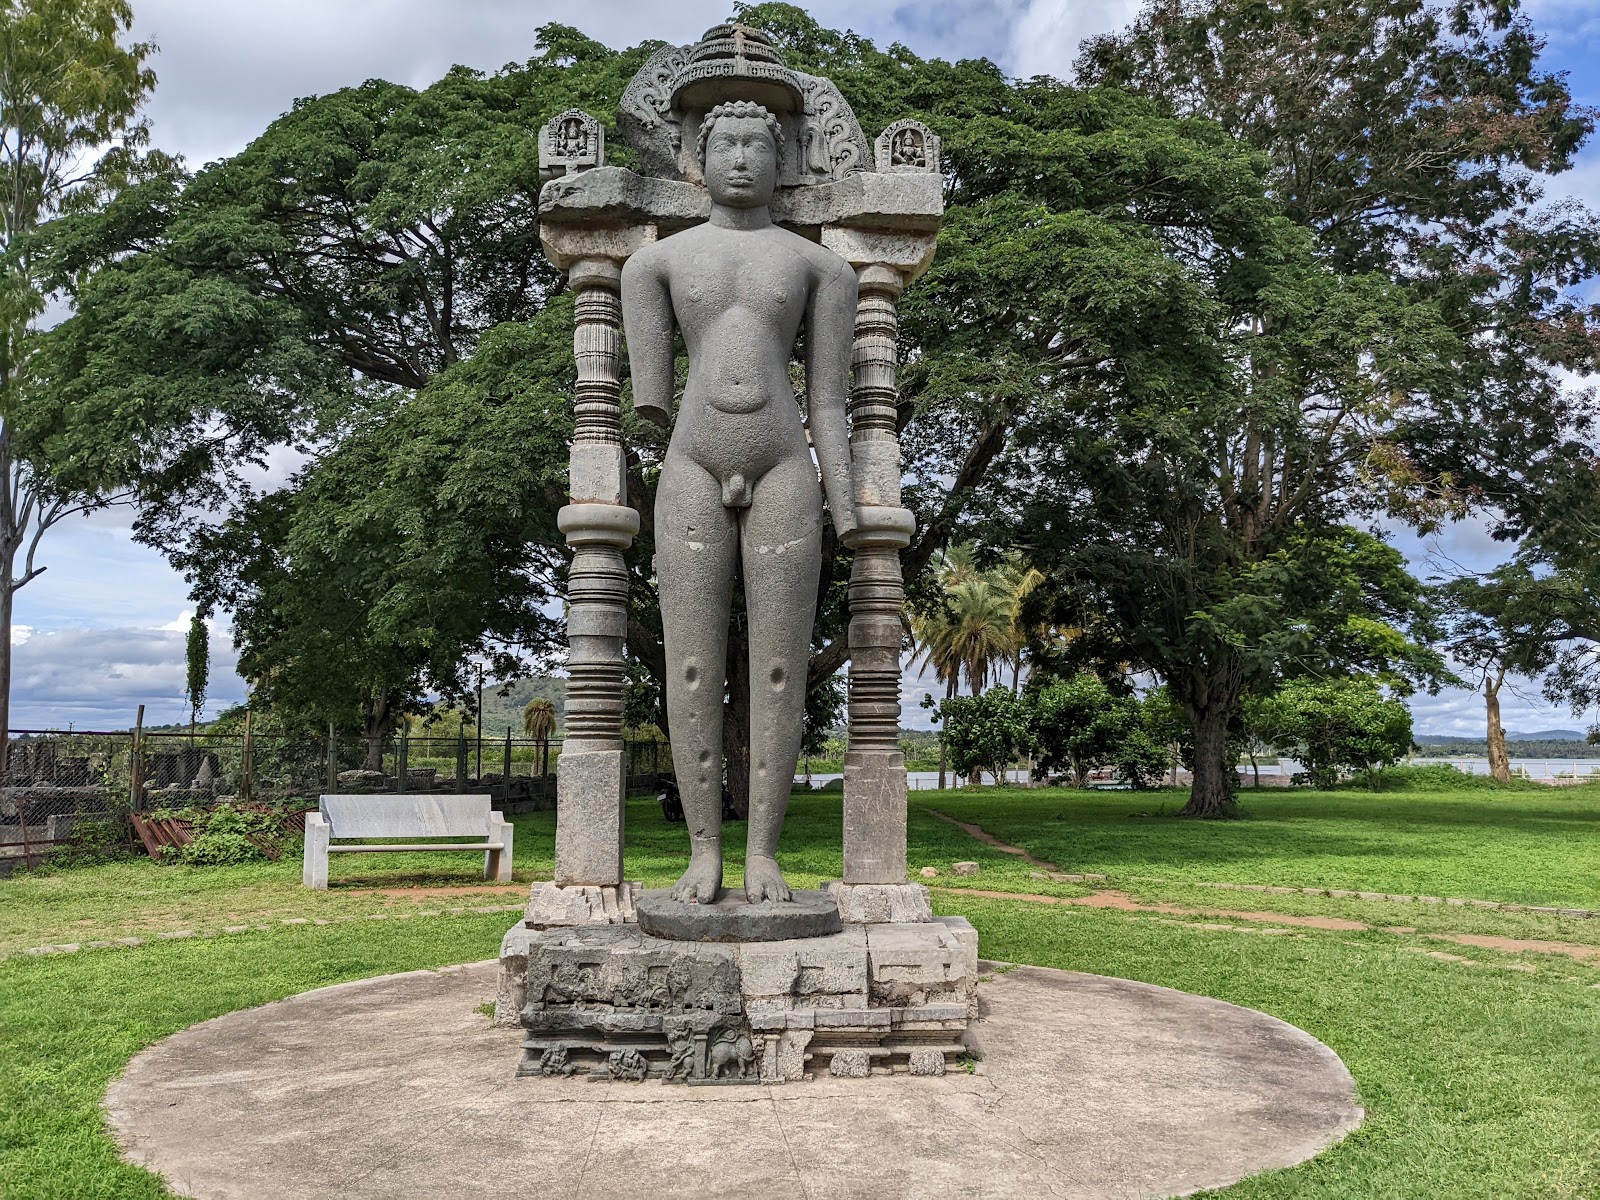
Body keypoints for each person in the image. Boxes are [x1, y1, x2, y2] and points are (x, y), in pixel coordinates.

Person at [621, 99, 858, 904]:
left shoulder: (819, 268)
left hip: (786, 461)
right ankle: (701, 852)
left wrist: (850, 502)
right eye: (728, 143)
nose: (744, 158)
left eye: (761, 144)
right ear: (697, 152)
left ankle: (763, 851)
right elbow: (649, 398)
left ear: (785, 156)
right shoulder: (653, 266)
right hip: (691, 458)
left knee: (782, 668)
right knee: (688, 666)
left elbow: (830, 402)